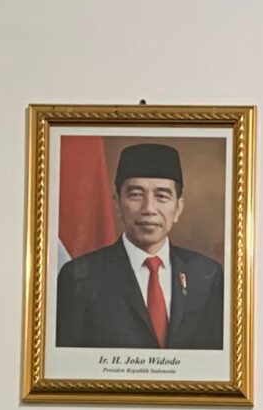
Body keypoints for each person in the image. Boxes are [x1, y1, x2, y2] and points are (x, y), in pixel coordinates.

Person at [54, 143, 226, 351]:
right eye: (136, 194)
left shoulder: (208, 276)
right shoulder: (79, 278)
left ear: (178, 208)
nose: (149, 209)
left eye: (162, 196)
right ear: (117, 204)